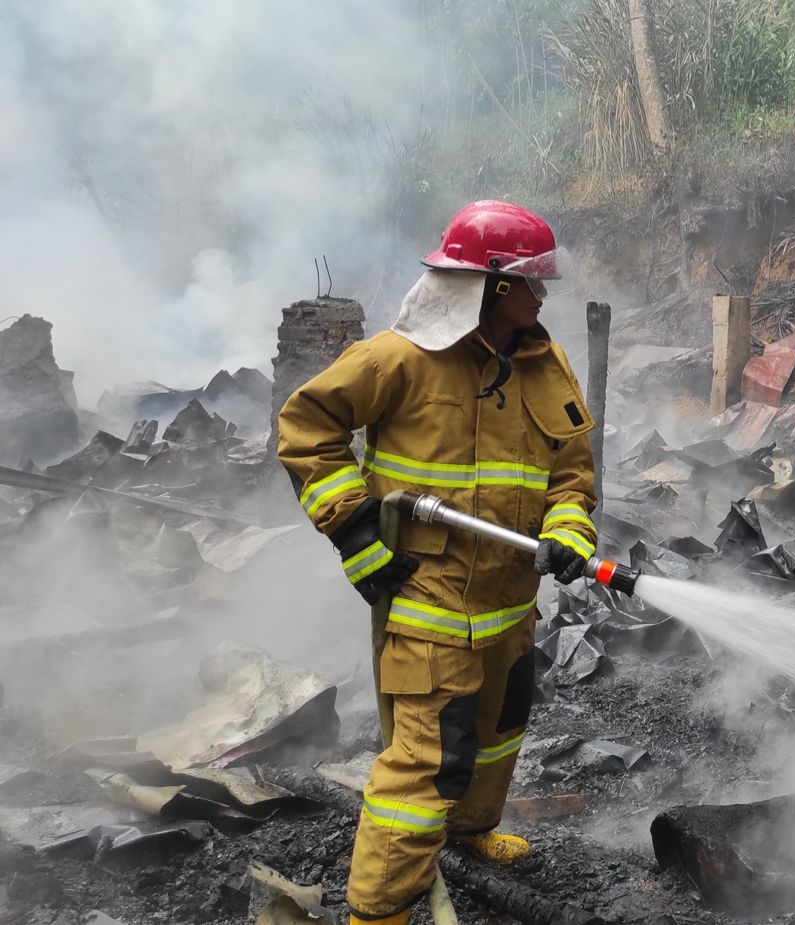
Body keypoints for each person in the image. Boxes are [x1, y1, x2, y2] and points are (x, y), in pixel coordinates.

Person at [277, 200, 597, 924]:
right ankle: (379, 910)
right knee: (423, 766)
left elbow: (572, 470)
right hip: (430, 606)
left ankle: (471, 830)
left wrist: (569, 529)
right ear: (488, 285)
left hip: (511, 605)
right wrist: (356, 533)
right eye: (530, 282)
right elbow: (306, 424)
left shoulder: (545, 363)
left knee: (499, 730)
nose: (543, 296)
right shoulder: (400, 358)